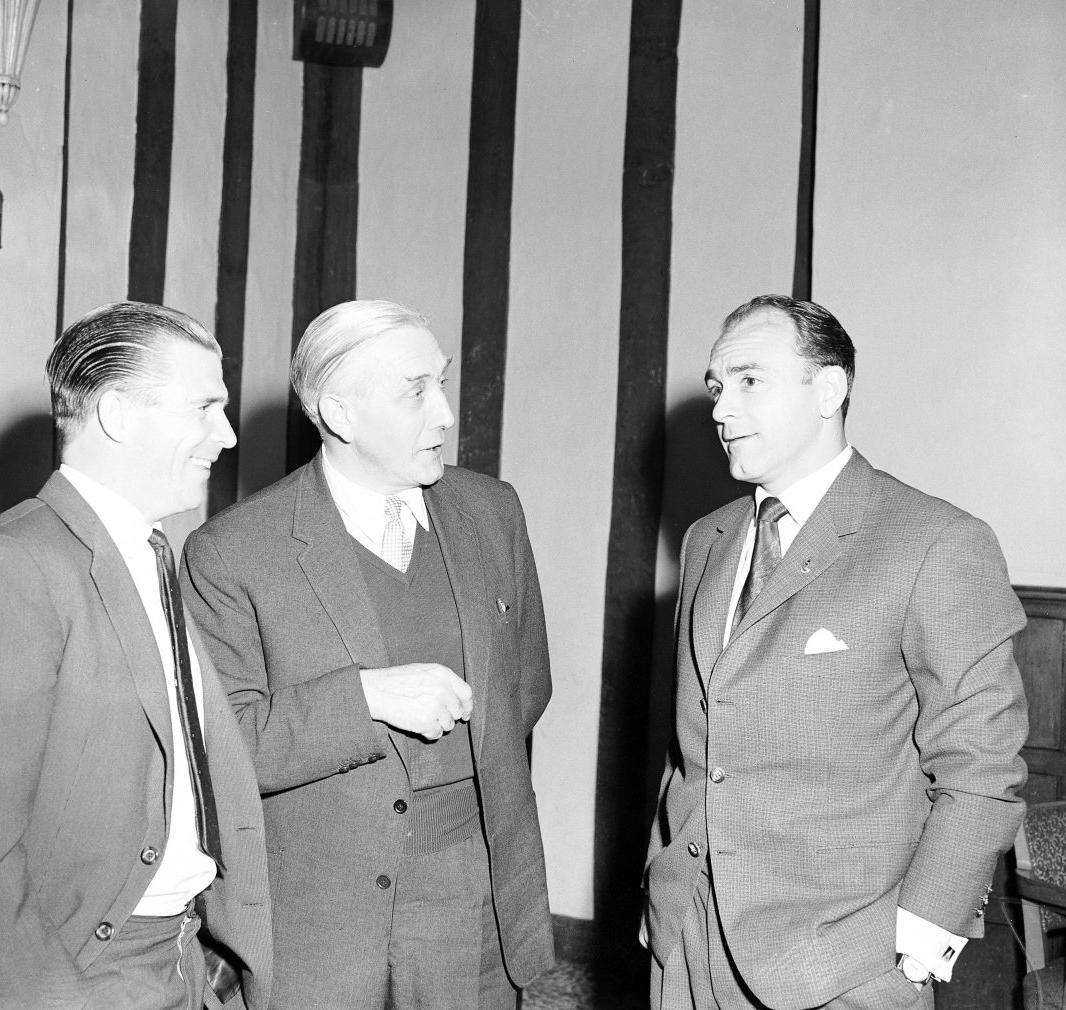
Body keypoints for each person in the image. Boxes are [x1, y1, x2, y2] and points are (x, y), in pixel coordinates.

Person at [642, 294, 1029, 1009]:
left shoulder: (935, 542)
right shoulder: (706, 541)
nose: (722, 410)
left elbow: (982, 770)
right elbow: (694, 742)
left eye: (750, 381)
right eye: (717, 388)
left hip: (844, 964)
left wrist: (917, 945)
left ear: (828, 390)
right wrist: (662, 894)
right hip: (687, 944)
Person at [0, 302, 272, 1010]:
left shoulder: (150, 558)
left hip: (178, 965)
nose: (225, 435)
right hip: (68, 979)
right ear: (117, 414)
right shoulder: (5, 570)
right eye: (204, 407)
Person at [180, 299, 555, 1009]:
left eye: (441, 383)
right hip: (319, 919)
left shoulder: (492, 512)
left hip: (475, 901)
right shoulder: (232, 552)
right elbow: (220, 749)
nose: (445, 414)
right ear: (340, 414)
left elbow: (525, 685)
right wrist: (365, 699)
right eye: (415, 392)